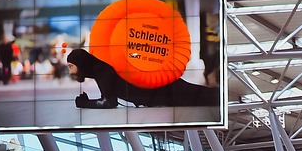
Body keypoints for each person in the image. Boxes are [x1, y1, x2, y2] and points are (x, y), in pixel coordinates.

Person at [67, 48, 220, 109]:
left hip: (163, 92)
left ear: (81, 63)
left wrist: (85, 103)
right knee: (204, 97)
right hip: (162, 91)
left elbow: (109, 102)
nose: (70, 71)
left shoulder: (102, 71)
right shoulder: (102, 68)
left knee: (206, 98)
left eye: (71, 66)